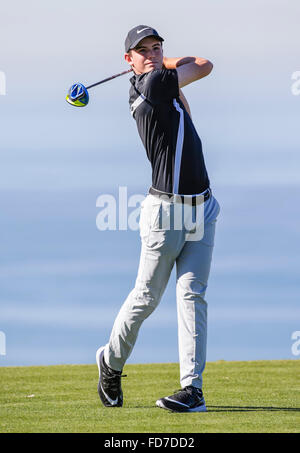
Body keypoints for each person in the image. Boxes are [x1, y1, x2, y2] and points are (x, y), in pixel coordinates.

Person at [96, 25, 220, 413]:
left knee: (191, 296)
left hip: (203, 207)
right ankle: (110, 362)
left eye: (157, 46)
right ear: (128, 60)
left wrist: (150, 61)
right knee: (147, 298)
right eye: (142, 49)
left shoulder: (160, 82)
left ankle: (192, 390)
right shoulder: (153, 86)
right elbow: (203, 64)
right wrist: (157, 64)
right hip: (166, 214)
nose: (151, 53)